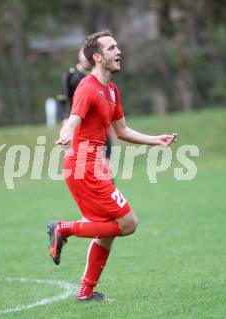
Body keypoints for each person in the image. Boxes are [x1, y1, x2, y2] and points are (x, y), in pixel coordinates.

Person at [48, 30, 177, 301]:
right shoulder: (87, 87)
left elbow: (122, 131)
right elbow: (73, 118)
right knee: (128, 223)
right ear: (97, 57)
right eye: (111, 48)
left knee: (106, 229)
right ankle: (63, 228)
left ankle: (85, 291)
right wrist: (67, 132)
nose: (118, 51)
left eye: (118, 46)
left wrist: (156, 140)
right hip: (84, 166)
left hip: (93, 167)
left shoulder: (111, 91)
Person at [56, 48, 113, 163]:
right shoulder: (71, 75)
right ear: (79, 56)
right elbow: (61, 101)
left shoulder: (101, 76)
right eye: (83, 54)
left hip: (99, 124)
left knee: (104, 164)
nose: (86, 58)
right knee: (80, 163)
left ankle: (106, 175)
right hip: (79, 124)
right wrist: (64, 119)